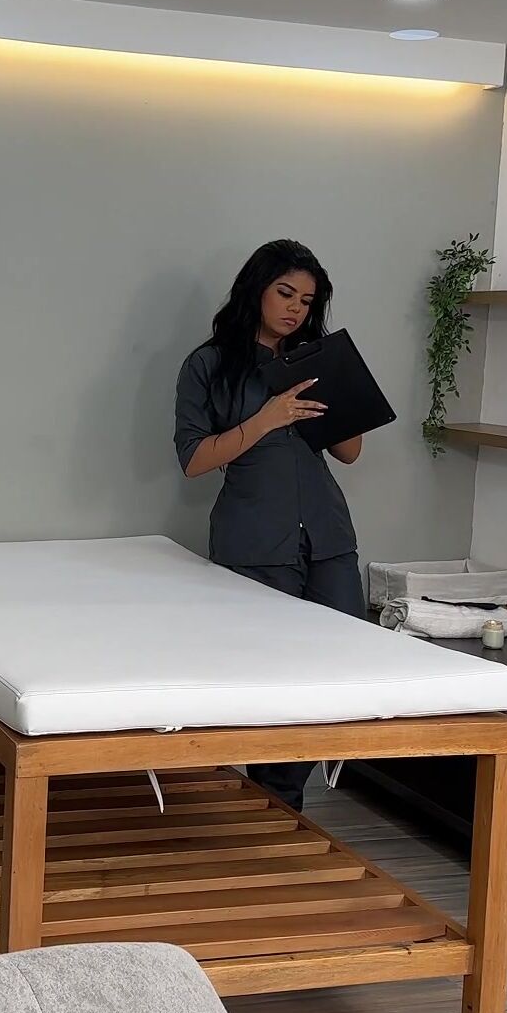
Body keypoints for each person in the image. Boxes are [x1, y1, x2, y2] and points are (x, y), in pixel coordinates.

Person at [172, 239, 366, 811]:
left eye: (306, 301)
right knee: (271, 678)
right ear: (256, 289)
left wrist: (344, 387)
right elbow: (193, 459)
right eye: (285, 293)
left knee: (335, 668)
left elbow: (350, 452)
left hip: (328, 537)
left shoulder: (313, 359)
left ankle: (281, 802)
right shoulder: (208, 365)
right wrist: (267, 418)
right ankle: (274, 805)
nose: (295, 309)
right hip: (255, 542)